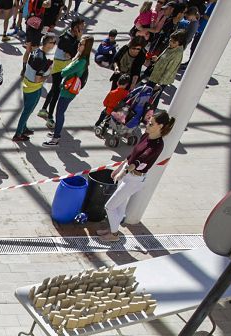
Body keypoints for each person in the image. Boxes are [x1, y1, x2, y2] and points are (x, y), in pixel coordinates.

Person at [97, 111, 175, 242]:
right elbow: (132, 155)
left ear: (160, 126)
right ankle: (112, 228)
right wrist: (120, 168)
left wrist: (124, 171)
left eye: (151, 123)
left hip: (134, 179)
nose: (147, 125)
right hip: (127, 174)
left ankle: (114, 235)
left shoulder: (157, 145)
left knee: (109, 206)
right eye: (148, 122)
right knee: (120, 206)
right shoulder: (146, 135)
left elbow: (139, 161)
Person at [44, 36, 92, 146]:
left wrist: (66, 68)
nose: (79, 45)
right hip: (67, 88)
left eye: (82, 44)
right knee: (60, 111)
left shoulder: (81, 61)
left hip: (68, 91)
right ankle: (56, 132)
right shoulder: (79, 58)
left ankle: (56, 138)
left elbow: (65, 71)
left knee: (59, 112)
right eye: (80, 43)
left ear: (87, 47)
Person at [12, 34, 56, 142]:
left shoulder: (36, 51)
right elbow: (37, 79)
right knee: (27, 111)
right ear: (46, 44)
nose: (54, 45)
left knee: (26, 110)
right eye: (52, 42)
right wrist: (48, 73)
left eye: (54, 42)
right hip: (33, 88)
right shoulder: (42, 59)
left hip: (27, 85)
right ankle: (18, 134)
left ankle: (23, 128)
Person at [40, 18, 85, 121]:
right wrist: (78, 39)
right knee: (56, 93)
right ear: (75, 28)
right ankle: (50, 117)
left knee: (54, 89)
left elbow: (72, 54)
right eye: (81, 27)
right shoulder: (66, 38)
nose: (82, 30)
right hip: (58, 69)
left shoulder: (71, 37)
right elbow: (74, 53)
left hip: (64, 67)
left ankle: (44, 109)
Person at [148, 30, 186, 105]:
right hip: (155, 74)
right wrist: (157, 59)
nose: (170, 43)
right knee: (148, 93)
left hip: (160, 80)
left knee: (154, 98)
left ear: (180, 43)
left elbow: (170, 70)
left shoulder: (177, 54)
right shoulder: (171, 47)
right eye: (170, 40)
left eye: (173, 42)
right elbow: (163, 56)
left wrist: (160, 84)